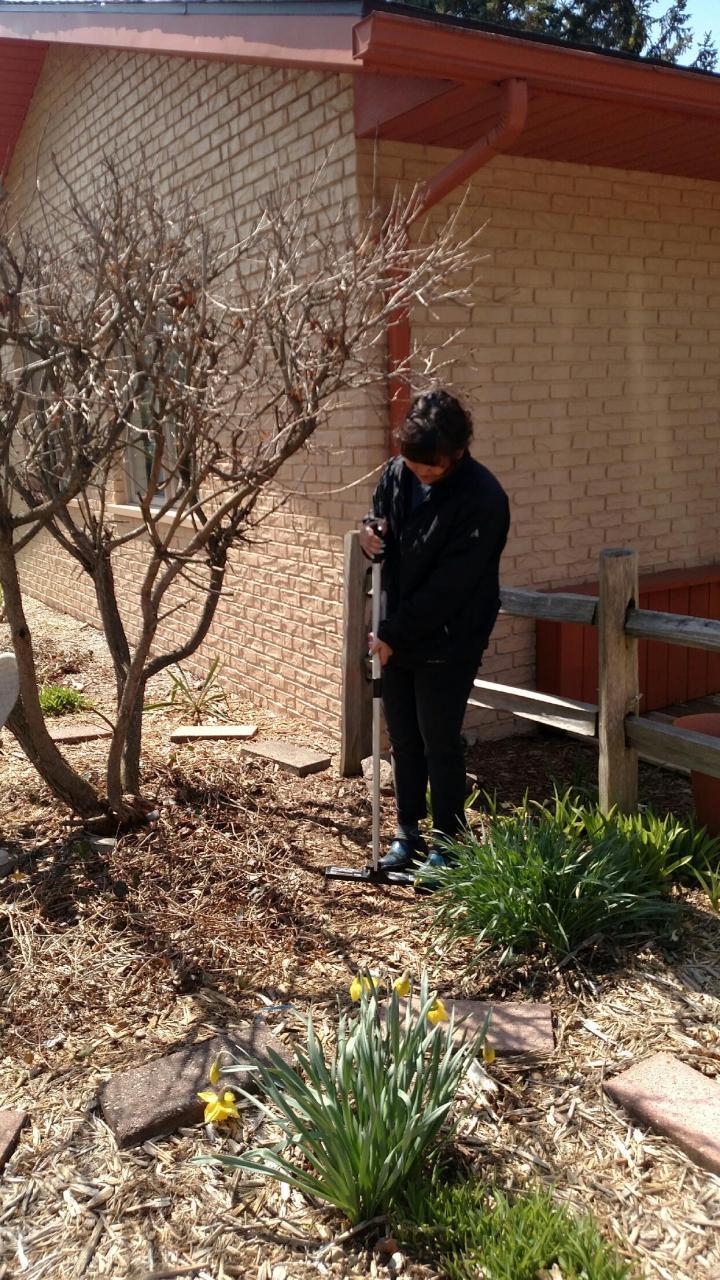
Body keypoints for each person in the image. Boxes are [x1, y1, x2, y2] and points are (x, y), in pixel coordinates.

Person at [359, 389, 510, 877]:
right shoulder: (397, 473)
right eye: (414, 465)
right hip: (398, 629)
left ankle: (449, 841)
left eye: (432, 468)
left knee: (438, 739)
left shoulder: (483, 499)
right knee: (403, 738)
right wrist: (370, 535)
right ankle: (407, 833)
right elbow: (380, 523)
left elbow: (450, 587)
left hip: (450, 634)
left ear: (458, 452)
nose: (421, 474)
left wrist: (392, 632)